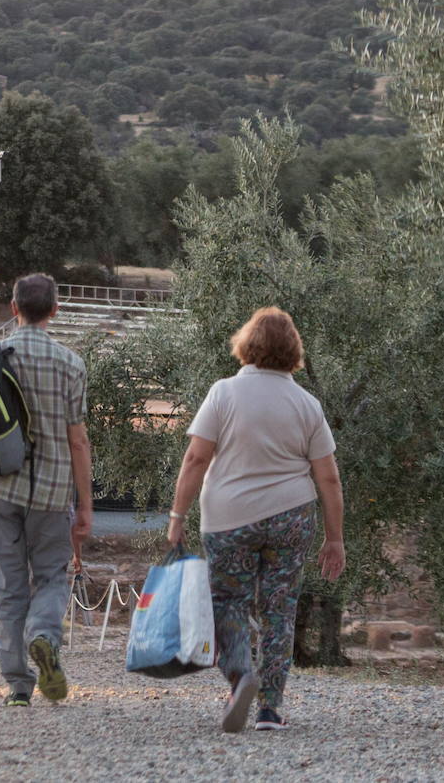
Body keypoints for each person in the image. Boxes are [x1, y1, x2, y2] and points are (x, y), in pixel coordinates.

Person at [166, 307, 345, 733]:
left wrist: (177, 516)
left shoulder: (223, 393)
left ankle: (239, 675)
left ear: (246, 344)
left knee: (229, 601)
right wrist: (334, 538)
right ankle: (269, 708)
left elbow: (195, 458)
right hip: (290, 518)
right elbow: (329, 477)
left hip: (228, 518)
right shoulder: (307, 404)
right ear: (293, 351)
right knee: (279, 610)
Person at [0, 272, 93, 706]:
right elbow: (78, 440)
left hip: (0, 486)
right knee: (52, 575)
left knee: (10, 583)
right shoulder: (71, 363)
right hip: (52, 491)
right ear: (55, 310)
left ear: (12, 308)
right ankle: (44, 636)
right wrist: (85, 505)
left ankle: (17, 685)